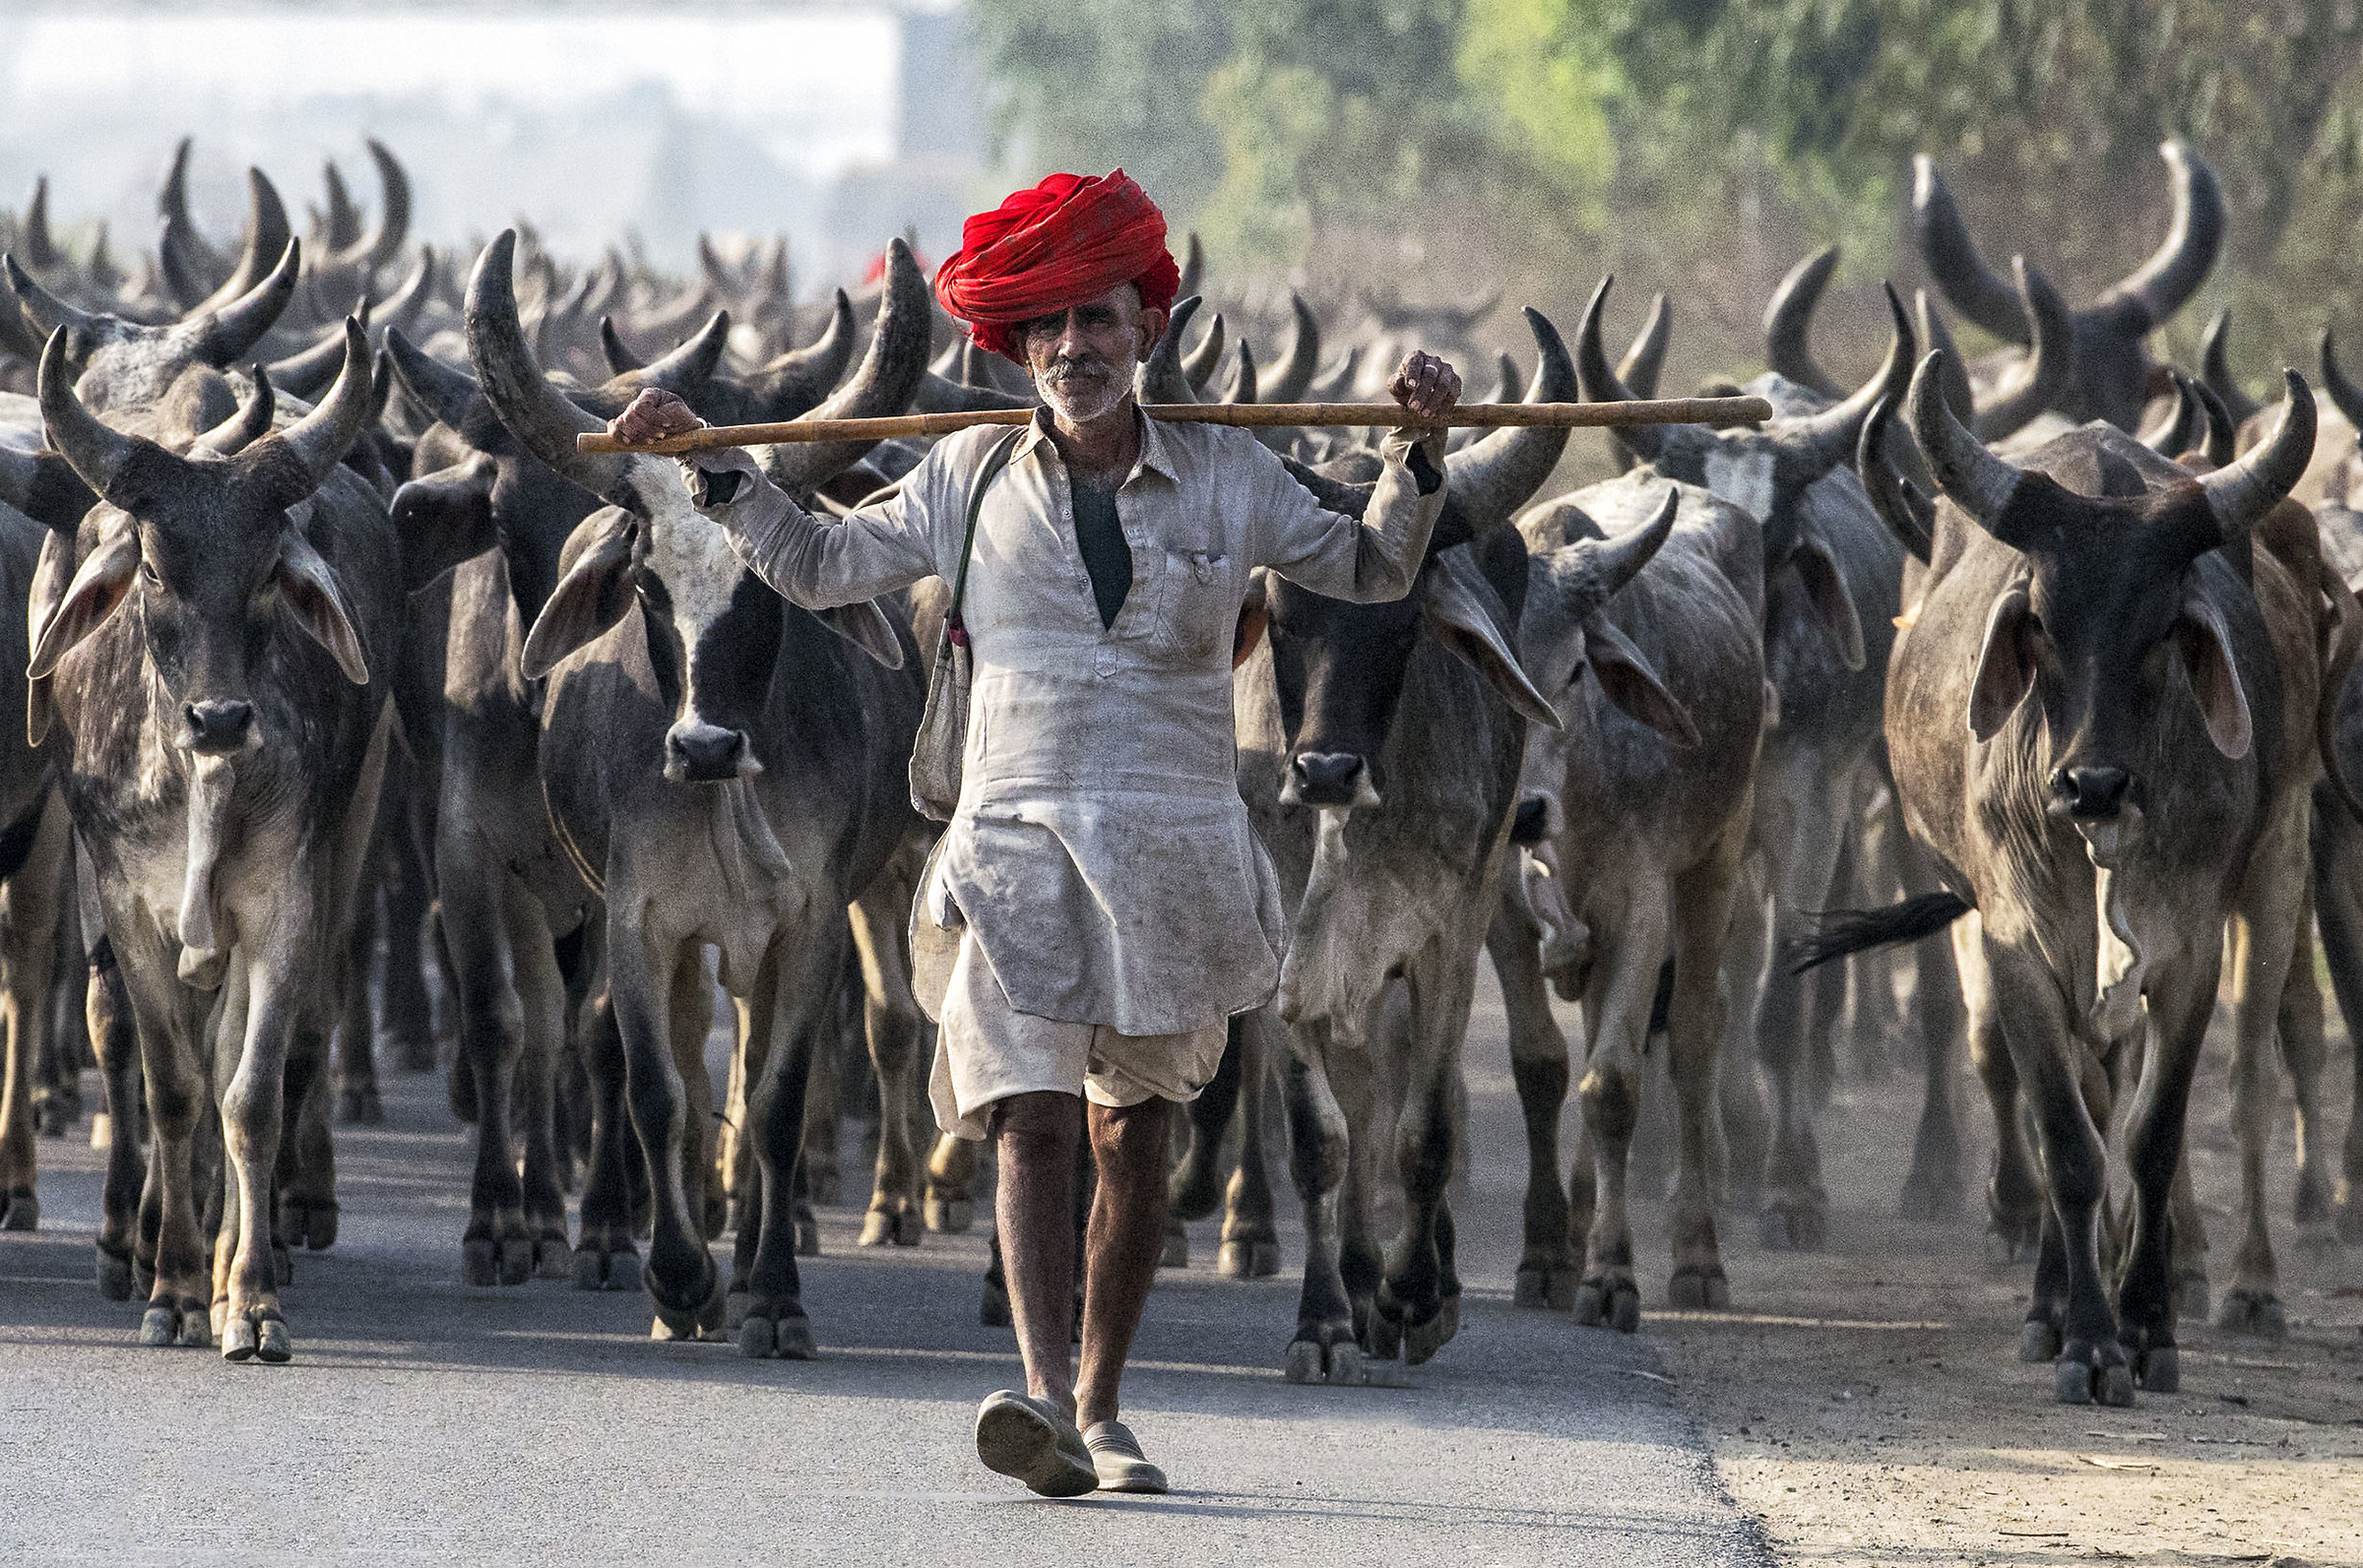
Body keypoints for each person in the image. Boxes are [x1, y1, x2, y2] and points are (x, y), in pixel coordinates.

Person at [607, 168, 1458, 1498]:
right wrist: (713, 474)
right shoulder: (962, 475)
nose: (1075, 348)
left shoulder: (1231, 474)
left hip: (1177, 848)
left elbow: (1373, 567)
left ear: (1148, 331)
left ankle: (1106, 1403)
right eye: (1048, 327)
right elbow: (825, 567)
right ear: (1015, 347)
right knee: (1031, 1124)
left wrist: (1415, 457)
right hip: (1010, 848)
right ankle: (1046, 1396)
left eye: (1100, 320)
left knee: (1138, 1133)